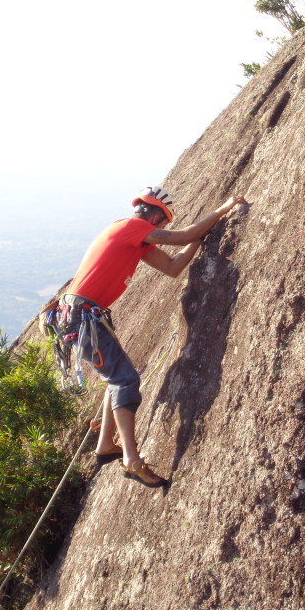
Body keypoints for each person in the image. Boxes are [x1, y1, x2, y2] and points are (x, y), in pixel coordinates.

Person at [60, 185, 248, 487]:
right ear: (155, 216)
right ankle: (131, 459)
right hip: (82, 317)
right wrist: (224, 209)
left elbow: (173, 267)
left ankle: (106, 444)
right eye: (162, 222)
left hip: (81, 317)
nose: (161, 227)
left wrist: (200, 238)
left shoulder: (135, 240)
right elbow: (181, 237)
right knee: (124, 380)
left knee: (116, 378)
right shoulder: (130, 227)